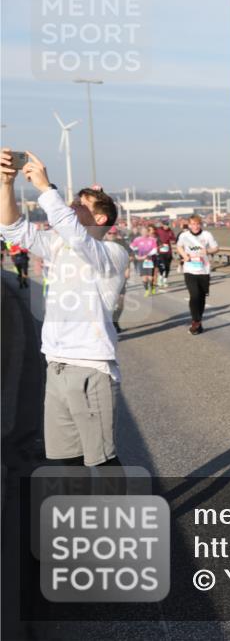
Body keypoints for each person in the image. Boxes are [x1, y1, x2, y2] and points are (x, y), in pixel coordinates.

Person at [0, 149, 129, 467]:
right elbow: (13, 229)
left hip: (91, 367)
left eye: (79, 205)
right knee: (65, 460)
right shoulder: (59, 244)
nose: (70, 208)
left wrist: (46, 189)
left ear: (100, 219)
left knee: (100, 460)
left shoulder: (112, 252)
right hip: (55, 363)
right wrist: (6, 184)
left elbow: (79, 237)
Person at [176, 215, 219, 335]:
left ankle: (198, 322)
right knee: (194, 295)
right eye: (193, 224)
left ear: (200, 224)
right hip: (190, 269)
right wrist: (184, 256)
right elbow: (179, 246)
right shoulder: (184, 236)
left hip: (204, 270)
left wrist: (208, 251)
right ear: (189, 225)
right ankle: (195, 321)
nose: (195, 226)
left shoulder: (207, 235)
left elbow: (216, 248)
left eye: (197, 224)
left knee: (201, 297)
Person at [130, 225, 160, 296]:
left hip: (150, 260)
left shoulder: (152, 239)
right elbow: (131, 246)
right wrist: (136, 254)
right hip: (141, 260)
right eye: (143, 231)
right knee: (144, 278)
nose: (144, 233)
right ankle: (146, 290)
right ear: (140, 232)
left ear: (148, 232)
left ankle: (152, 287)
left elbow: (155, 250)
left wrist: (147, 255)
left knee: (150, 277)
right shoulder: (137, 239)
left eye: (146, 231)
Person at [153, 220, 176, 288]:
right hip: (160, 251)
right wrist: (159, 243)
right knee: (162, 266)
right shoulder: (158, 230)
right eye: (165, 225)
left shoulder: (170, 231)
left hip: (168, 251)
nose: (166, 226)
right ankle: (160, 278)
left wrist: (173, 241)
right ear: (162, 225)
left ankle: (165, 280)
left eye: (167, 225)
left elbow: (173, 239)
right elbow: (154, 236)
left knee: (168, 267)